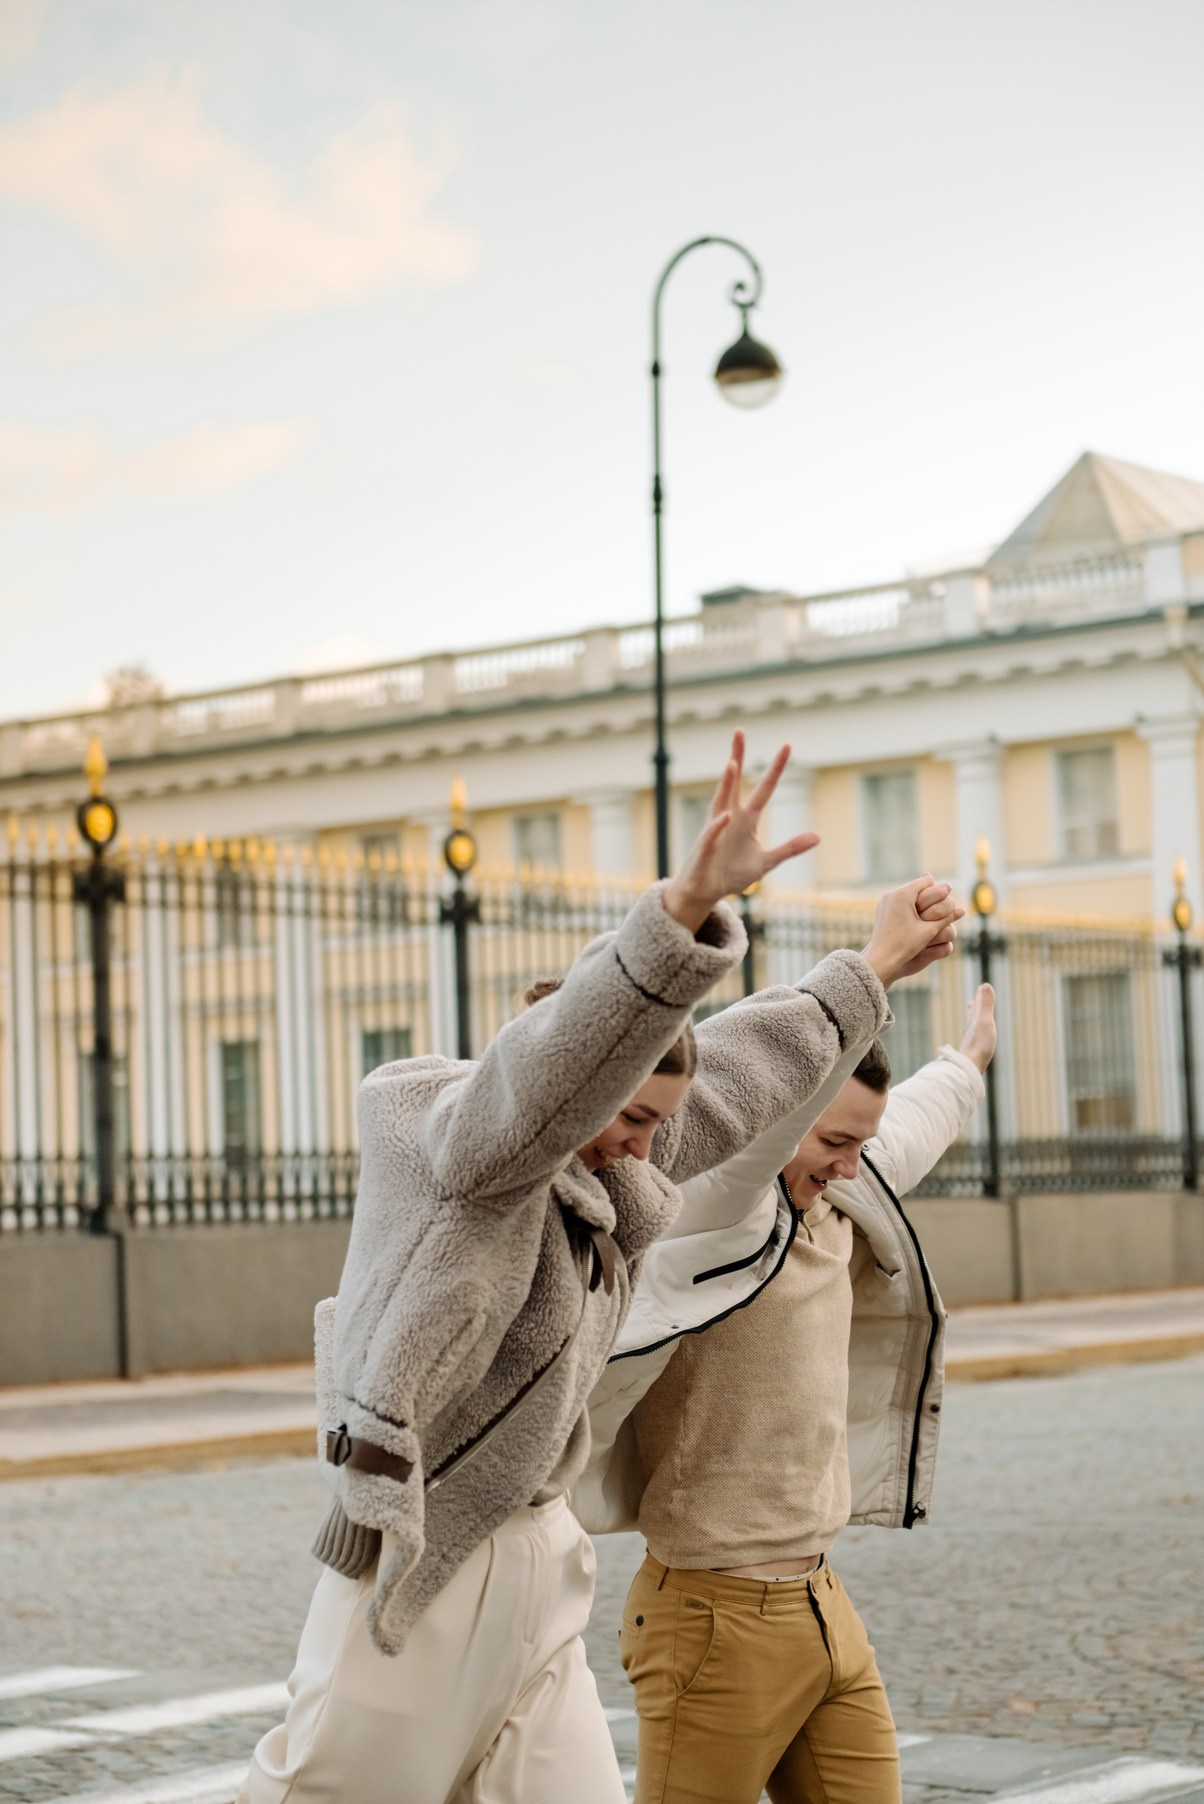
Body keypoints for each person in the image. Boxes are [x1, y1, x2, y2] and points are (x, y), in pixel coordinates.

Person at [239, 731, 961, 1804]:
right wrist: (676, 913)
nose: (641, 1142)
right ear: (568, 1077)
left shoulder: (604, 1168)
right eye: (625, 1115)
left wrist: (869, 968)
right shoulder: (458, 1140)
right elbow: (553, 1079)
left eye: (651, 1123)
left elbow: (732, 1082)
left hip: (541, 1551)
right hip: (426, 1560)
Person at [574, 985, 998, 1804]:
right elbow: (750, 1145)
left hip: (824, 1606)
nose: (851, 1163)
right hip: (712, 1619)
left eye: (858, 1146)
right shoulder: (710, 1218)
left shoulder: (842, 1195)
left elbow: (904, 1130)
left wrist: (966, 1063)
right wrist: (870, 971)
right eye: (834, 1139)